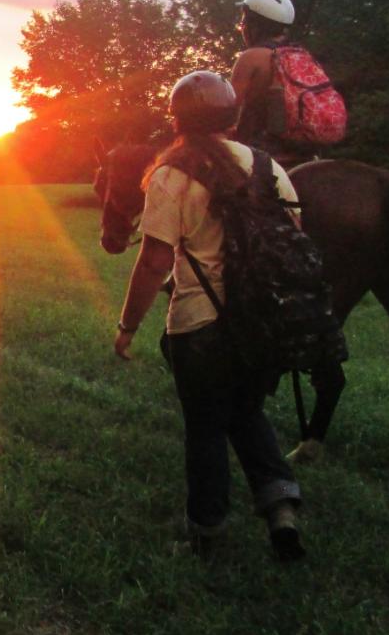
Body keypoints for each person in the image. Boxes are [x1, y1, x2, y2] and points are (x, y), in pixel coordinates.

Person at [113, 70, 305, 561]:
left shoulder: (171, 174)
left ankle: (207, 529)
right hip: (263, 321)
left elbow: (154, 262)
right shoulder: (269, 167)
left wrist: (127, 326)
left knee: (205, 426)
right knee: (247, 411)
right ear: (232, 117)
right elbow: (292, 239)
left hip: (200, 325)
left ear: (178, 121)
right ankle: (281, 507)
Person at [230, 0, 345, 168]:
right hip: (308, 153)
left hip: (260, 153)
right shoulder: (302, 55)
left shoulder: (251, 58)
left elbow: (227, 111)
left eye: (244, 21)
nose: (242, 26)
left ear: (255, 26)